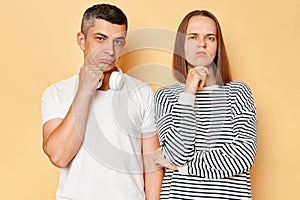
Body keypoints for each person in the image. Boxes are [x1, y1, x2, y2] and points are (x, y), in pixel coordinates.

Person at [41, 4, 163, 200]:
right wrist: (84, 91)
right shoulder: (56, 93)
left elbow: (153, 166)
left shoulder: (142, 93)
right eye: (100, 39)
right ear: (82, 40)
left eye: (118, 41)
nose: (110, 50)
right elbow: (58, 156)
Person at [153, 10, 257, 199]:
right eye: (193, 37)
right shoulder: (166, 96)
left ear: (218, 46)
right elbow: (176, 153)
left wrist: (182, 167)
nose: (201, 44)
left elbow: (243, 156)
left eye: (210, 38)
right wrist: (188, 92)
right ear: (181, 45)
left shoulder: (238, 93)